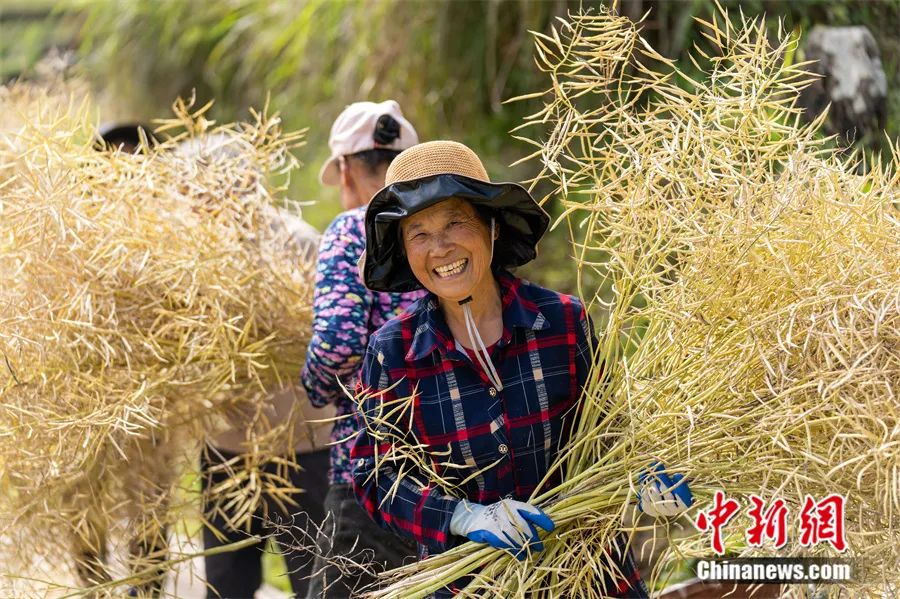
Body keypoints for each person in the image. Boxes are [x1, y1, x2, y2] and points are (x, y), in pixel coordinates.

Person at [351, 141, 694, 597]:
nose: (440, 248)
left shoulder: (561, 323)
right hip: (472, 586)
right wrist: (464, 516)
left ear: (492, 227)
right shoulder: (393, 354)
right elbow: (375, 475)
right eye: (419, 233)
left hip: (590, 575)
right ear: (404, 250)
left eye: (456, 222)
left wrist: (647, 475)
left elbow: (612, 434)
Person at [174, 134, 335, 599]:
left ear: (238, 183)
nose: (191, 199)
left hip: (302, 447)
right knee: (226, 584)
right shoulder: (187, 258)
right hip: (228, 449)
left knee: (314, 581)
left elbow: (331, 339)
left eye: (197, 187)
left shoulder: (300, 244)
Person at [301, 101, 423, 598]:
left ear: (346, 168)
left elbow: (337, 341)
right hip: (452, 471)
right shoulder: (445, 229)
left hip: (371, 471)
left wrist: (314, 386)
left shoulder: (352, 230)